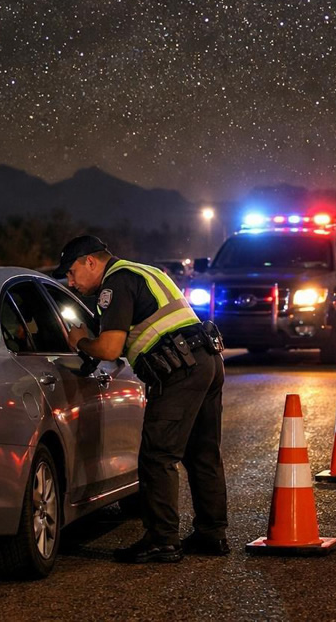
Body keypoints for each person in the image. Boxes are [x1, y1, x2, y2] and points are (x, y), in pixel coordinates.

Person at [55, 235, 229, 563]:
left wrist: (79, 341)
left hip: (180, 369)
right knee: (202, 453)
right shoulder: (143, 271)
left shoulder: (115, 284)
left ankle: (162, 540)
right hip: (206, 359)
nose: (70, 280)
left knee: (157, 456)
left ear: (90, 261)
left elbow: (109, 349)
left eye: (72, 271)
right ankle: (212, 533)